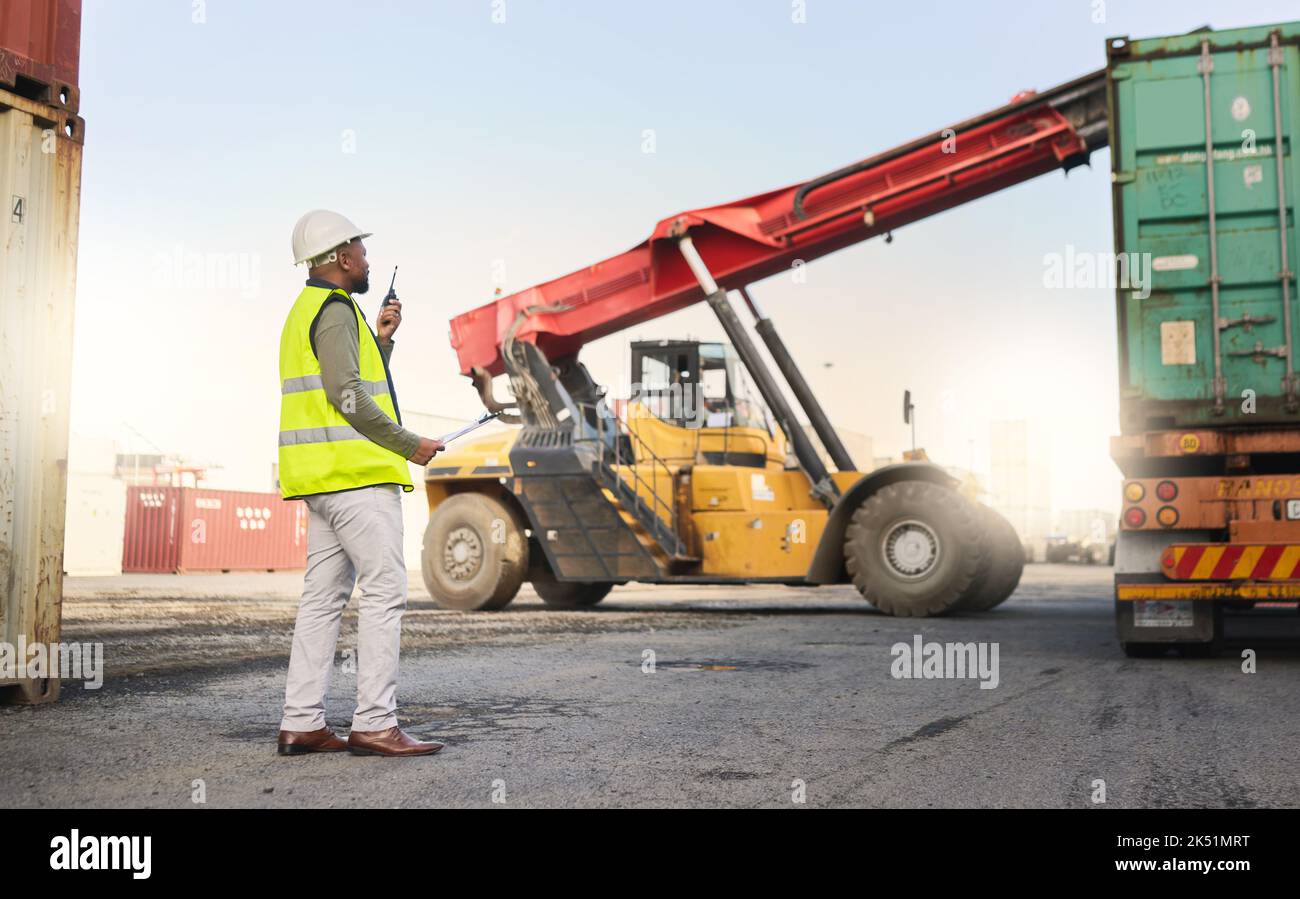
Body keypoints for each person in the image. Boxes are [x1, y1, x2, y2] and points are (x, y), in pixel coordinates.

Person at [275, 209, 443, 757]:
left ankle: (302, 723)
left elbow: (346, 379)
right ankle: (375, 723)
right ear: (342, 258)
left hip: (323, 481)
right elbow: (346, 395)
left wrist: (383, 341)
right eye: (361, 251)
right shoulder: (336, 309)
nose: (367, 259)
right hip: (357, 481)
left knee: (322, 600)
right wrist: (409, 444)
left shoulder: (311, 309)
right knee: (385, 593)